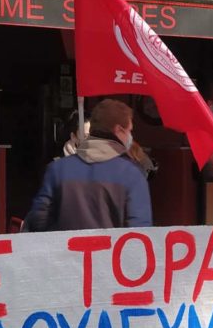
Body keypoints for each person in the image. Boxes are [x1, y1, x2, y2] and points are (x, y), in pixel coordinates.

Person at [26, 99, 152, 232]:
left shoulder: (57, 169)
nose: (130, 136)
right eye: (129, 131)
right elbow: (139, 232)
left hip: (67, 245)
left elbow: (38, 220)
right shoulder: (132, 175)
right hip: (112, 246)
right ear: (119, 131)